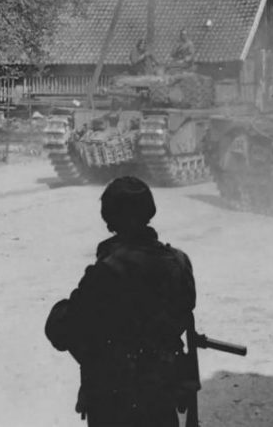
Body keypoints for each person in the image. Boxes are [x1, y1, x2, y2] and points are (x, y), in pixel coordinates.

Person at [45, 176, 196, 427]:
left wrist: (61, 310)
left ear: (109, 219)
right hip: (161, 396)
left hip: (116, 401)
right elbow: (184, 310)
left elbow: (62, 331)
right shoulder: (179, 262)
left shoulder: (107, 272)